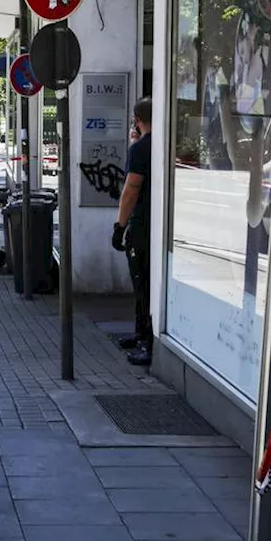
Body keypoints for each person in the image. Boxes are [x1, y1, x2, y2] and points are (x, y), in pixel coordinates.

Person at [112, 97, 154, 366]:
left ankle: (146, 342)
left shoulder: (140, 149)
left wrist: (119, 227)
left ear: (137, 120)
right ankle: (141, 334)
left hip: (141, 224)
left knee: (142, 282)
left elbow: (130, 190)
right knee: (146, 281)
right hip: (158, 224)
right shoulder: (160, 144)